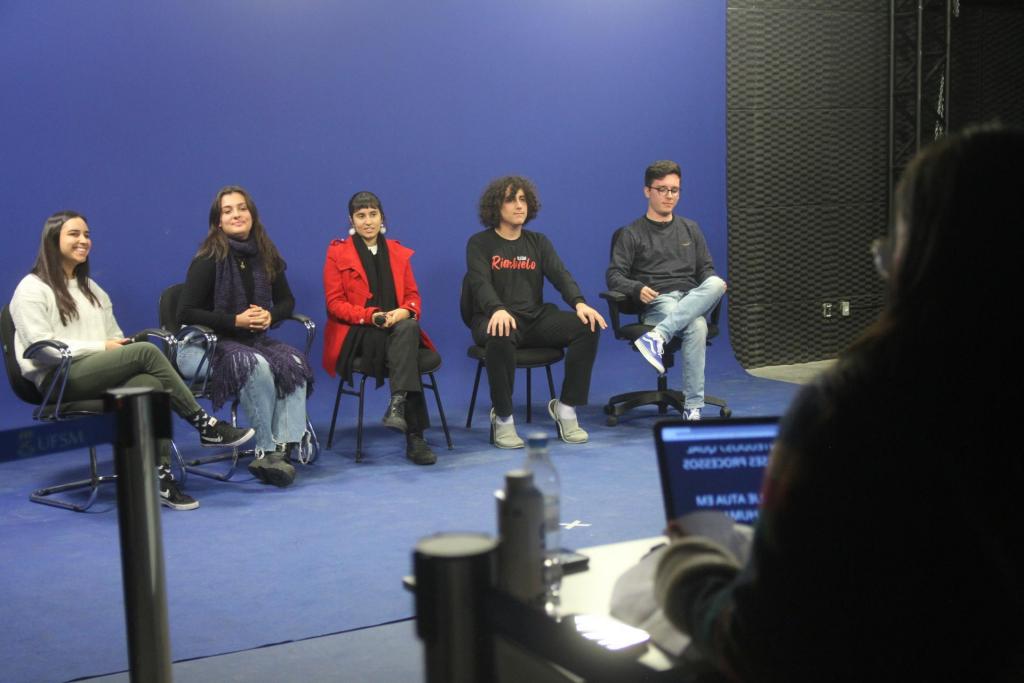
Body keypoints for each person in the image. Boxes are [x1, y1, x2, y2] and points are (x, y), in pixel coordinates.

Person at [653, 126, 1024, 682]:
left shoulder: (852, 410)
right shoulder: (633, 234)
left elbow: (760, 642)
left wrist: (686, 567)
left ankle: (664, 342)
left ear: (918, 256)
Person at [10, 211, 255, 510]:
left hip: (95, 373)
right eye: (74, 234)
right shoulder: (32, 288)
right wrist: (103, 347)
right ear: (52, 240)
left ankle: (160, 478)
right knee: (146, 351)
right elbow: (41, 349)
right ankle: (206, 425)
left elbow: (114, 336)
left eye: (87, 234)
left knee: (151, 384)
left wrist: (116, 347)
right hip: (58, 380)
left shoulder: (92, 291)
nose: (84, 240)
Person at [177, 186, 312, 488]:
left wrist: (270, 316)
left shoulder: (265, 255)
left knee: (292, 362)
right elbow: (185, 312)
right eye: (228, 211)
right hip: (201, 347)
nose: (236, 214)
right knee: (253, 364)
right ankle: (266, 449)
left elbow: (287, 301)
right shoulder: (208, 258)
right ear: (218, 221)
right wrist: (234, 320)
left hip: (249, 341)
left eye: (242, 208)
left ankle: (283, 448)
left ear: (252, 215)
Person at [466, 175, 606, 448]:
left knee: (587, 326)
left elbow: (561, 276)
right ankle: (503, 417)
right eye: (511, 200)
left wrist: (579, 303)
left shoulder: (538, 242)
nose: (519, 205)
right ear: (496, 206)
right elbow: (480, 283)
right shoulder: (479, 243)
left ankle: (566, 408)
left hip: (534, 319)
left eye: (523, 199)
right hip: (492, 319)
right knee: (501, 330)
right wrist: (497, 309)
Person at [322, 191, 441, 466]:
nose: (368, 221)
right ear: (351, 220)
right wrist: (370, 316)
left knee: (407, 327)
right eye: (361, 216)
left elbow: (413, 296)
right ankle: (415, 435)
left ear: (382, 217)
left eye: (373, 214)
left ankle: (398, 404)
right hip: (359, 333)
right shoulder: (337, 253)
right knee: (408, 347)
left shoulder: (398, 252)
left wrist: (404, 311)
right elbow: (334, 304)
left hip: (397, 328)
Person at [606, 160, 727, 421]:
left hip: (690, 298)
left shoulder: (691, 229)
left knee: (717, 283)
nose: (669, 196)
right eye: (662, 189)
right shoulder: (632, 233)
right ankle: (693, 407)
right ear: (647, 191)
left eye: (674, 190)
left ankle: (657, 336)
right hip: (659, 302)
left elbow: (705, 269)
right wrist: (637, 288)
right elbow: (614, 276)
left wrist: (710, 283)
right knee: (697, 325)